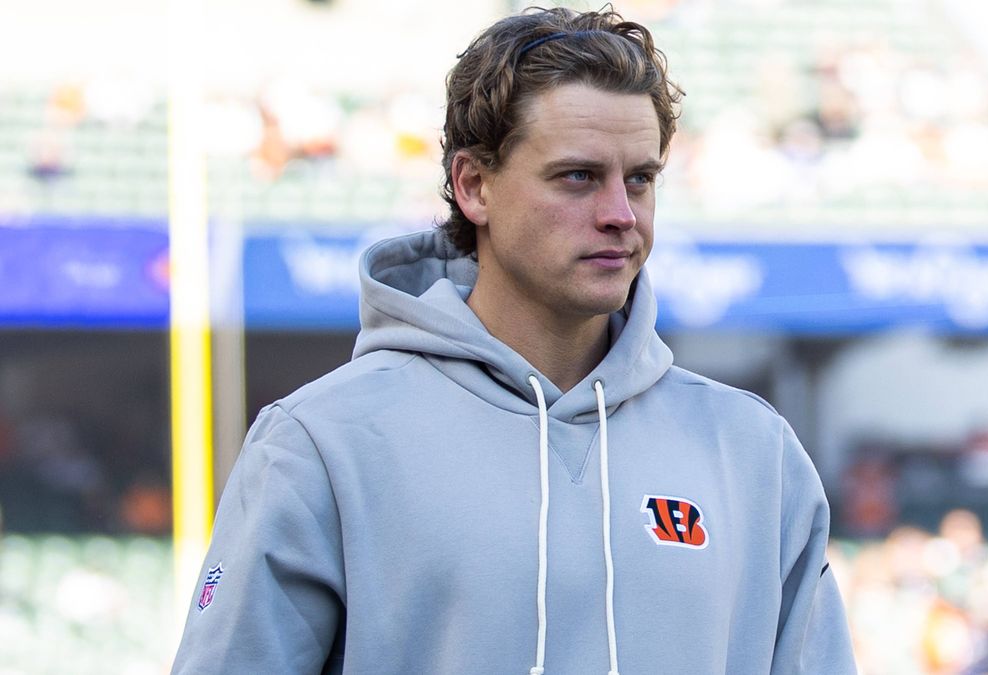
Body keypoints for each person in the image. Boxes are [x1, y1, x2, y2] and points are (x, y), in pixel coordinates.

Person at [172, 6, 856, 674]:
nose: (620, 214)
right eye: (579, 176)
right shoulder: (322, 441)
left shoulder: (754, 453)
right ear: (474, 186)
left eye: (640, 179)